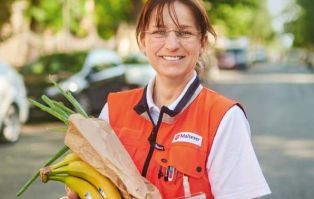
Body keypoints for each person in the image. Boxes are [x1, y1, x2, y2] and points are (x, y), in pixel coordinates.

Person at [67, 0, 271, 198]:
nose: (172, 45)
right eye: (159, 32)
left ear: (202, 43)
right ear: (142, 42)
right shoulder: (113, 110)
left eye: (184, 33)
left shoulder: (223, 118)